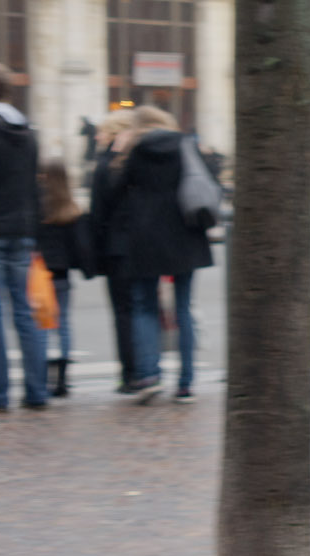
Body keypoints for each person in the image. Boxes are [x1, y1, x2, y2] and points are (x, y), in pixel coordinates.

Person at [99, 106, 214, 404]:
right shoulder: (186, 144)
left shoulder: (135, 150)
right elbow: (207, 179)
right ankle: (186, 383)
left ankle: (150, 375)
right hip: (185, 233)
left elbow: (113, 193)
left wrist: (117, 154)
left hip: (146, 235)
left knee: (144, 305)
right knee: (183, 308)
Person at [0, 62, 46, 412]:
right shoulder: (28, 130)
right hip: (21, 231)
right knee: (24, 311)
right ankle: (36, 391)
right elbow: (34, 186)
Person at [88, 109, 139, 392]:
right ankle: (146, 370)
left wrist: (95, 253)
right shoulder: (141, 161)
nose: (97, 136)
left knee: (123, 311)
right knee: (143, 309)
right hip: (143, 245)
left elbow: (99, 212)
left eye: (102, 130)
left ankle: (129, 374)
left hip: (117, 248)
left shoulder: (107, 164)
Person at [36, 158, 92, 398]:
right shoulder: (69, 208)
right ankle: (62, 379)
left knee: (41, 325)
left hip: (39, 275)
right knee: (64, 324)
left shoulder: (38, 207)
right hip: (62, 274)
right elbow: (79, 246)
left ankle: (41, 377)